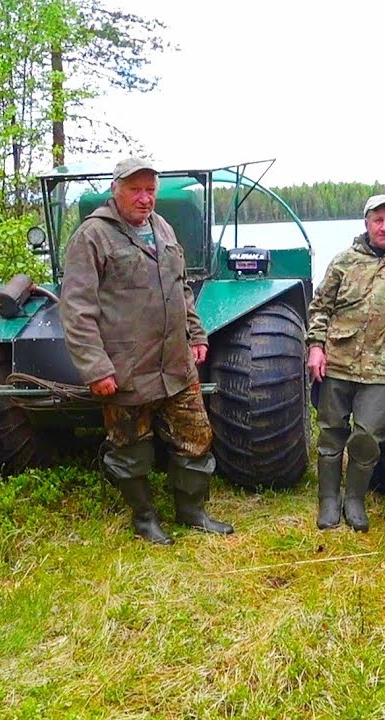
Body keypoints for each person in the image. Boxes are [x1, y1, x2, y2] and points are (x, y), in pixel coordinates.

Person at [60, 156, 233, 545]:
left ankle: (192, 511)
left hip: (175, 363)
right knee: (131, 449)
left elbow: (180, 287)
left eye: (150, 190)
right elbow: (76, 310)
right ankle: (144, 519)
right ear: (115, 191)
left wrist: (196, 334)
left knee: (195, 436)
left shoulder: (163, 227)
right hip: (126, 367)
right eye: (136, 190)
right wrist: (96, 368)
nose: (145, 198)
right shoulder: (92, 237)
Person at [306, 194, 385, 532]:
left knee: (367, 438)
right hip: (339, 360)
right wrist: (316, 347)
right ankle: (328, 499)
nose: (384, 227)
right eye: (378, 220)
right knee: (331, 433)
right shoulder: (344, 261)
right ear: (366, 223)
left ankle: (354, 500)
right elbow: (320, 307)